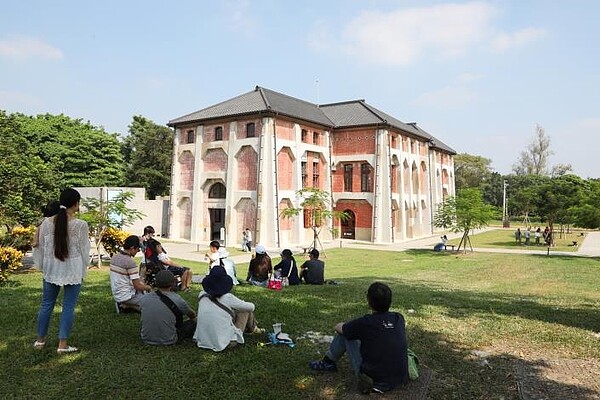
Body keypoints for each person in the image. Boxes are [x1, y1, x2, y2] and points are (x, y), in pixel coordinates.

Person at [309, 282, 409, 394]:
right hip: (400, 376)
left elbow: (338, 328)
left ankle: (328, 362)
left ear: (369, 301)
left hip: (374, 381)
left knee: (346, 334)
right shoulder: (399, 318)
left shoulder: (365, 323)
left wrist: (344, 326)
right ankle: (328, 362)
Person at [33, 188, 90, 354]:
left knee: (46, 304)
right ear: (76, 204)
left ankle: (40, 341)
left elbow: (41, 248)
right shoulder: (80, 225)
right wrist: (84, 266)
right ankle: (62, 345)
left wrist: (43, 265)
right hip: (72, 269)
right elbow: (84, 249)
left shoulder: (46, 222)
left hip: (52, 269)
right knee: (68, 306)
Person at [194, 266, 264, 351]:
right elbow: (251, 307)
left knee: (234, 312)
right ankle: (253, 328)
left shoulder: (202, 295)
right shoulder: (228, 298)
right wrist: (241, 302)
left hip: (202, 340)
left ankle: (253, 328)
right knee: (246, 311)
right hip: (226, 342)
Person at [139, 270, 197, 345]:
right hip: (170, 340)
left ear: (156, 283)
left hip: (146, 338)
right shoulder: (177, 299)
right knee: (193, 322)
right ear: (173, 283)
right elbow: (192, 315)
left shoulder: (144, 298)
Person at [141, 226, 193, 291]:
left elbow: (169, 261)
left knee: (189, 271)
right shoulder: (159, 256)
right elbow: (168, 262)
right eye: (159, 246)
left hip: (169, 266)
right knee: (184, 270)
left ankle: (187, 286)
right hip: (166, 267)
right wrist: (180, 266)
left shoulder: (162, 253)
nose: (160, 247)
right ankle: (183, 287)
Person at [109, 235, 152, 313]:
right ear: (132, 248)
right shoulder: (130, 262)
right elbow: (137, 286)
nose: (138, 251)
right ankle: (126, 305)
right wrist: (148, 288)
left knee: (143, 291)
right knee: (151, 307)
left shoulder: (114, 257)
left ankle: (124, 304)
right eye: (137, 249)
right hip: (127, 295)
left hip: (117, 294)